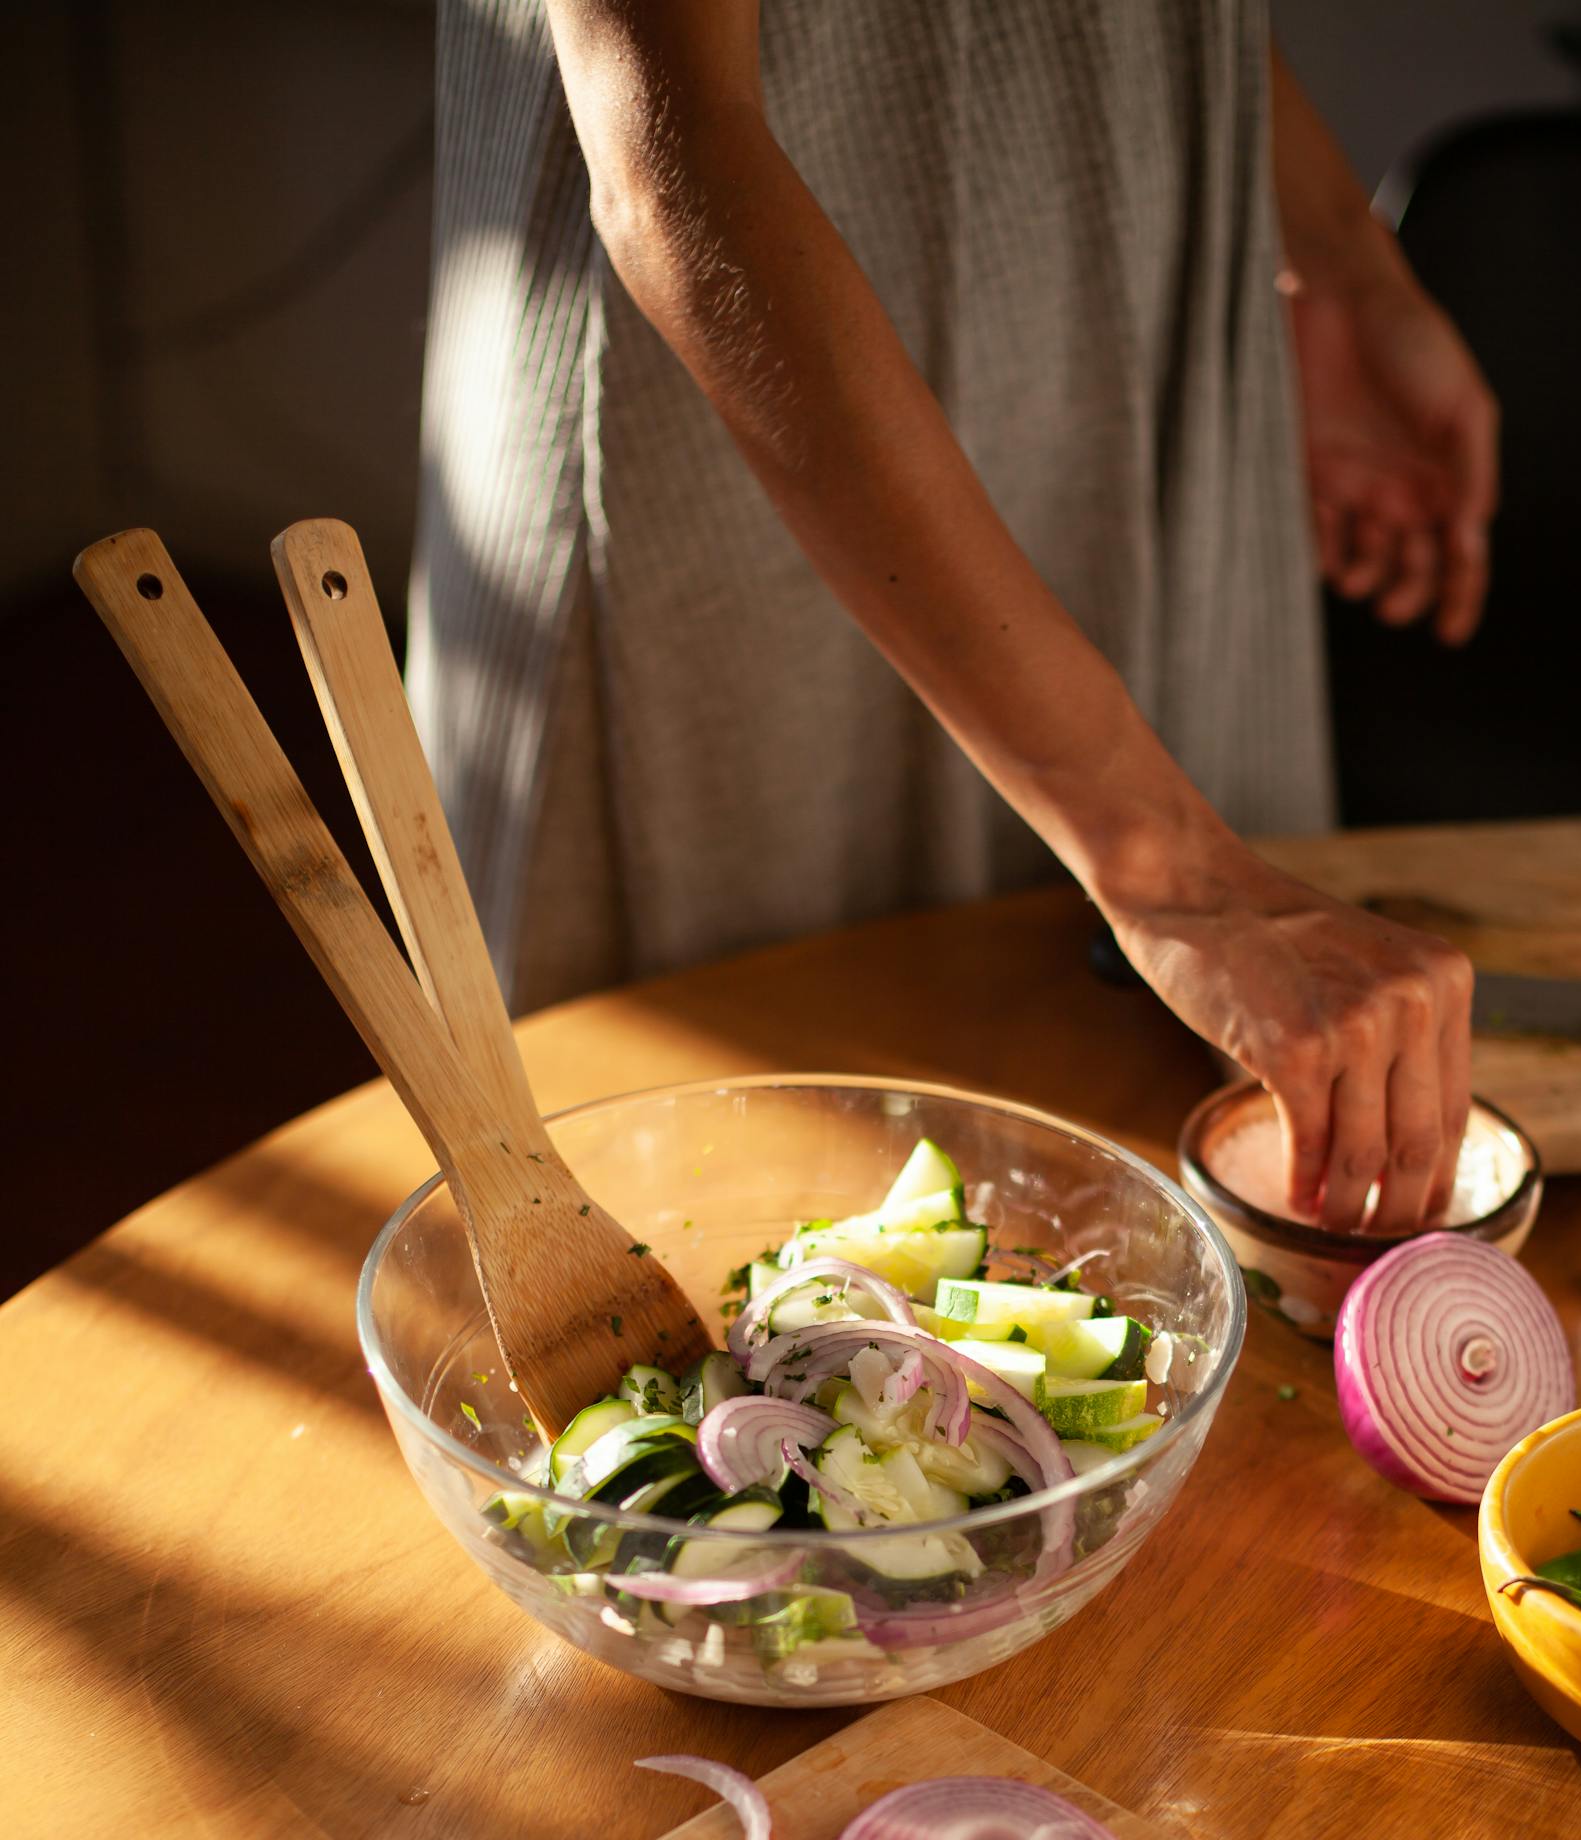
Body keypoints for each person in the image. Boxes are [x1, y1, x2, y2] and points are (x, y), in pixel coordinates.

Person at [410, 3, 1498, 1232]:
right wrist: (1177, 873)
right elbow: (674, 158)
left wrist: (1343, 264)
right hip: (751, 367)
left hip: (1138, 312)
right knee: (700, 1188)